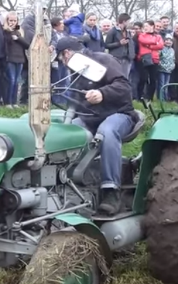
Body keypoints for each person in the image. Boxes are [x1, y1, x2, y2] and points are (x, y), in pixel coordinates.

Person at [54, 37, 137, 216]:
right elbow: (76, 101)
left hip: (120, 114)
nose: (62, 62)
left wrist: (102, 93)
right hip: (91, 117)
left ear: (67, 53)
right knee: (67, 133)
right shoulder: (76, 72)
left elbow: (124, 87)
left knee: (106, 132)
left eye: (61, 58)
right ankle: (66, 182)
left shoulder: (103, 60)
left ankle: (111, 191)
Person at [2, 11, 28, 108]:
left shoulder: (19, 32)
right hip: (10, 59)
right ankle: (8, 102)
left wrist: (18, 38)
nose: (13, 22)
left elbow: (27, 45)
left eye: (14, 20)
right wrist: (10, 31)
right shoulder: (5, 31)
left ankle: (14, 102)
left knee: (17, 81)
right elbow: (6, 42)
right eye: (11, 20)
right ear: (7, 21)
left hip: (20, 59)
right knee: (11, 80)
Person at [135, 20, 162, 102]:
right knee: (143, 78)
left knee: (153, 79)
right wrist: (154, 43)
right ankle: (140, 96)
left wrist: (149, 46)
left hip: (154, 59)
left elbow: (160, 45)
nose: (145, 28)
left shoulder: (158, 36)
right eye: (144, 26)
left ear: (152, 26)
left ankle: (149, 97)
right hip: (144, 59)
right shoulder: (141, 35)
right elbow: (143, 41)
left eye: (147, 26)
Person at [156, 35, 174, 101]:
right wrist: (161, 65)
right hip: (161, 69)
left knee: (166, 84)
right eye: (167, 40)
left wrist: (172, 66)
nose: (168, 42)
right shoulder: (161, 48)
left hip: (169, 70)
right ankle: (161, 98)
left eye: (170, 40)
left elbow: (173, 59)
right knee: (161, 84)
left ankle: (165, 98)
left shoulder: (172, 50)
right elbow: (158, 58)